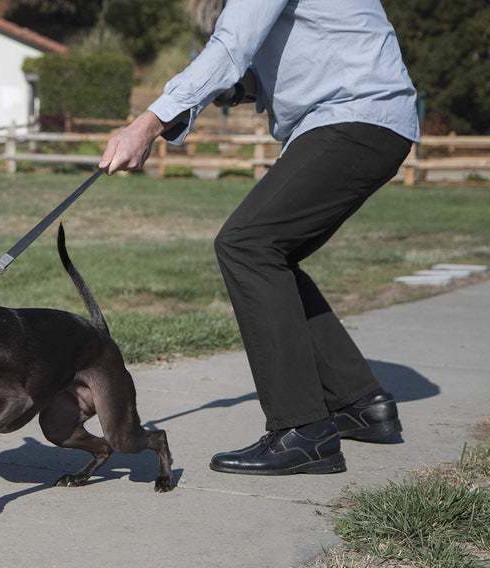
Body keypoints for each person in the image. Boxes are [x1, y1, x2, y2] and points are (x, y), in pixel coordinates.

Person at [98, 0, 420, 475]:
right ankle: (360, 402)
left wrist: (147, 124)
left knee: (247, 245)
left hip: (354, 116)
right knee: (273, 253)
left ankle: (304, 430)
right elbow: (305, 53)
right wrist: (242, 88)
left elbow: (231, 46)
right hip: (365, 116)